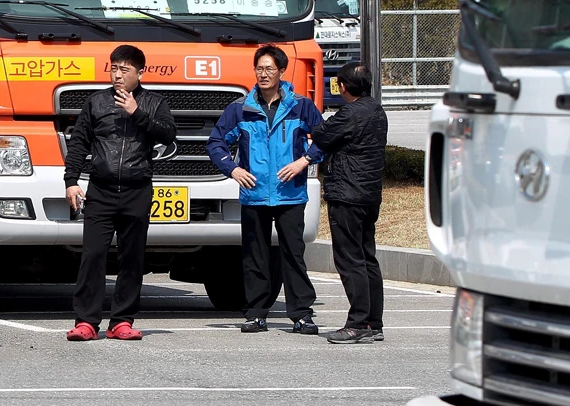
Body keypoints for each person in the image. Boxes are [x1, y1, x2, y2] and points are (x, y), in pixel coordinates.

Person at [206, 44, 324, 335]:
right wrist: (232, 169)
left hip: (290, 194)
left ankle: (301, 315)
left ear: (282, 71)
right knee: (254, 256)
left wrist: (304, 161)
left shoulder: (300, 106)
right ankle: (256, 313)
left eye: (270, 68)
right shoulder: (240, 109)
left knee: (292, 255)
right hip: (254, 195)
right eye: (259, 68)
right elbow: (216, 142)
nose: (264, 74)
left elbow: (325, 138)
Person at [64, 44, 178, 342]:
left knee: (132, 258)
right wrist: (71, 180)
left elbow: (168, 134)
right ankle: (86, 321)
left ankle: (122, 321)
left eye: (124, 70)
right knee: (93, 255)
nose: (117, 75)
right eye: (113, 68)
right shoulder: (96, 102)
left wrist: (137, 113)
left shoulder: (154, 102)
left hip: (137, 189)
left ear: (140, 73)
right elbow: (79, 143)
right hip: (100, 190)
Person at [310, 62, 389, 344]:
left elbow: (321, 134)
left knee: (349, 258)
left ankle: (357, 323)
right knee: (367, 257)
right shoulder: (377, 110)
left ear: (343, 87)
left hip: (347, 192)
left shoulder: (350, 113)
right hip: (369, 194)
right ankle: (373, 322)